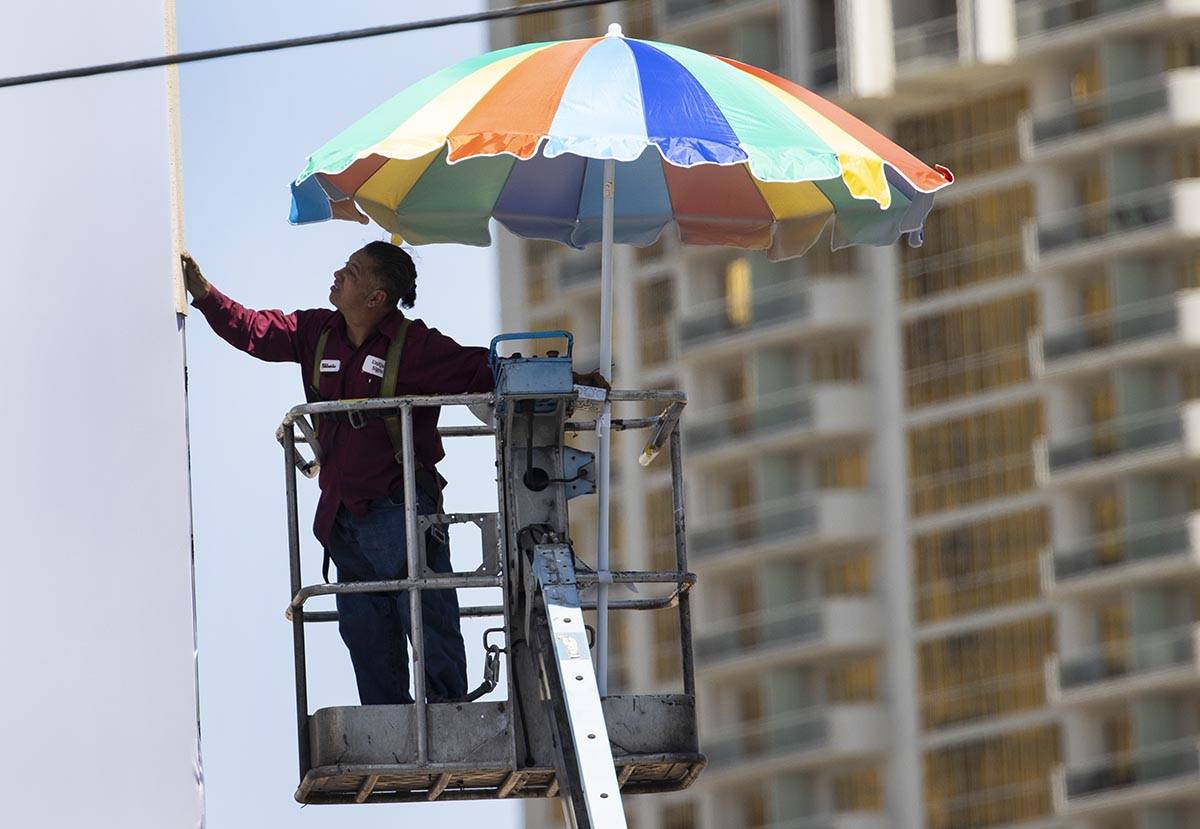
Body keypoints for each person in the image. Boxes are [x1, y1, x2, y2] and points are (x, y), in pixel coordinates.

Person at [183, 241, 492, 705]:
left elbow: (481, 369)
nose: (338, 275)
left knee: (428, 616)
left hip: (400, 510)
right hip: (344, 519)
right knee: (366, 633)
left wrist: (572, 378)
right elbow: (255, 331)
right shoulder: (317, 331)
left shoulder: (416, 347)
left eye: (352, 271)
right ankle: (387, 726)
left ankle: (447, 714)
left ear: (376, 298)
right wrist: (204, 294)